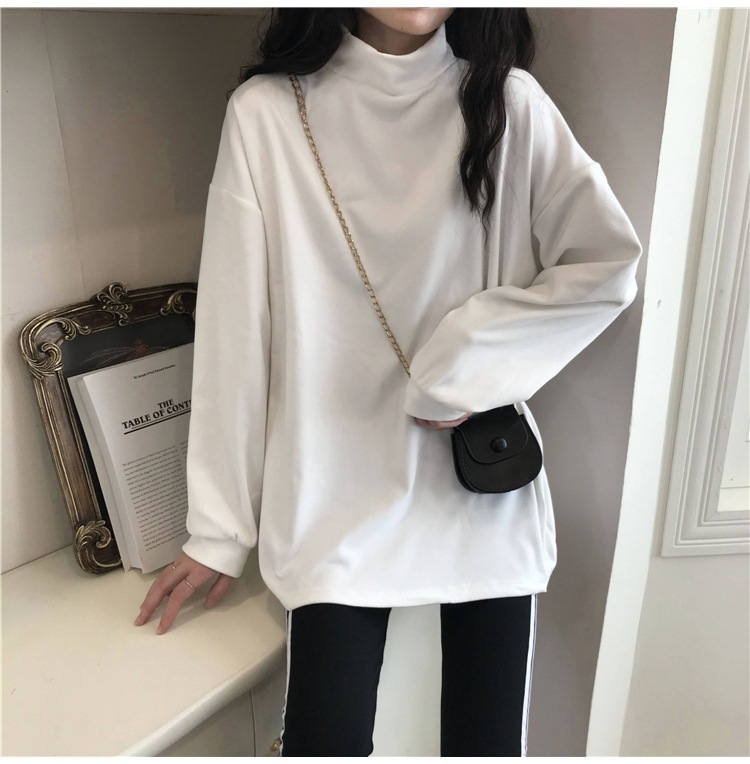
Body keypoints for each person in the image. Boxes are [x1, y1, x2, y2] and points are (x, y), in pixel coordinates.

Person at [135, 7, 642, 757]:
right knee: (323, 743)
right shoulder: (267, 115)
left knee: (486, 748)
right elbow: (235, 333)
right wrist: (218, 529)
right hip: (330, 496)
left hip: (481, 494)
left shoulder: (508, 102)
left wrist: (465, 365)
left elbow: (607, 266)